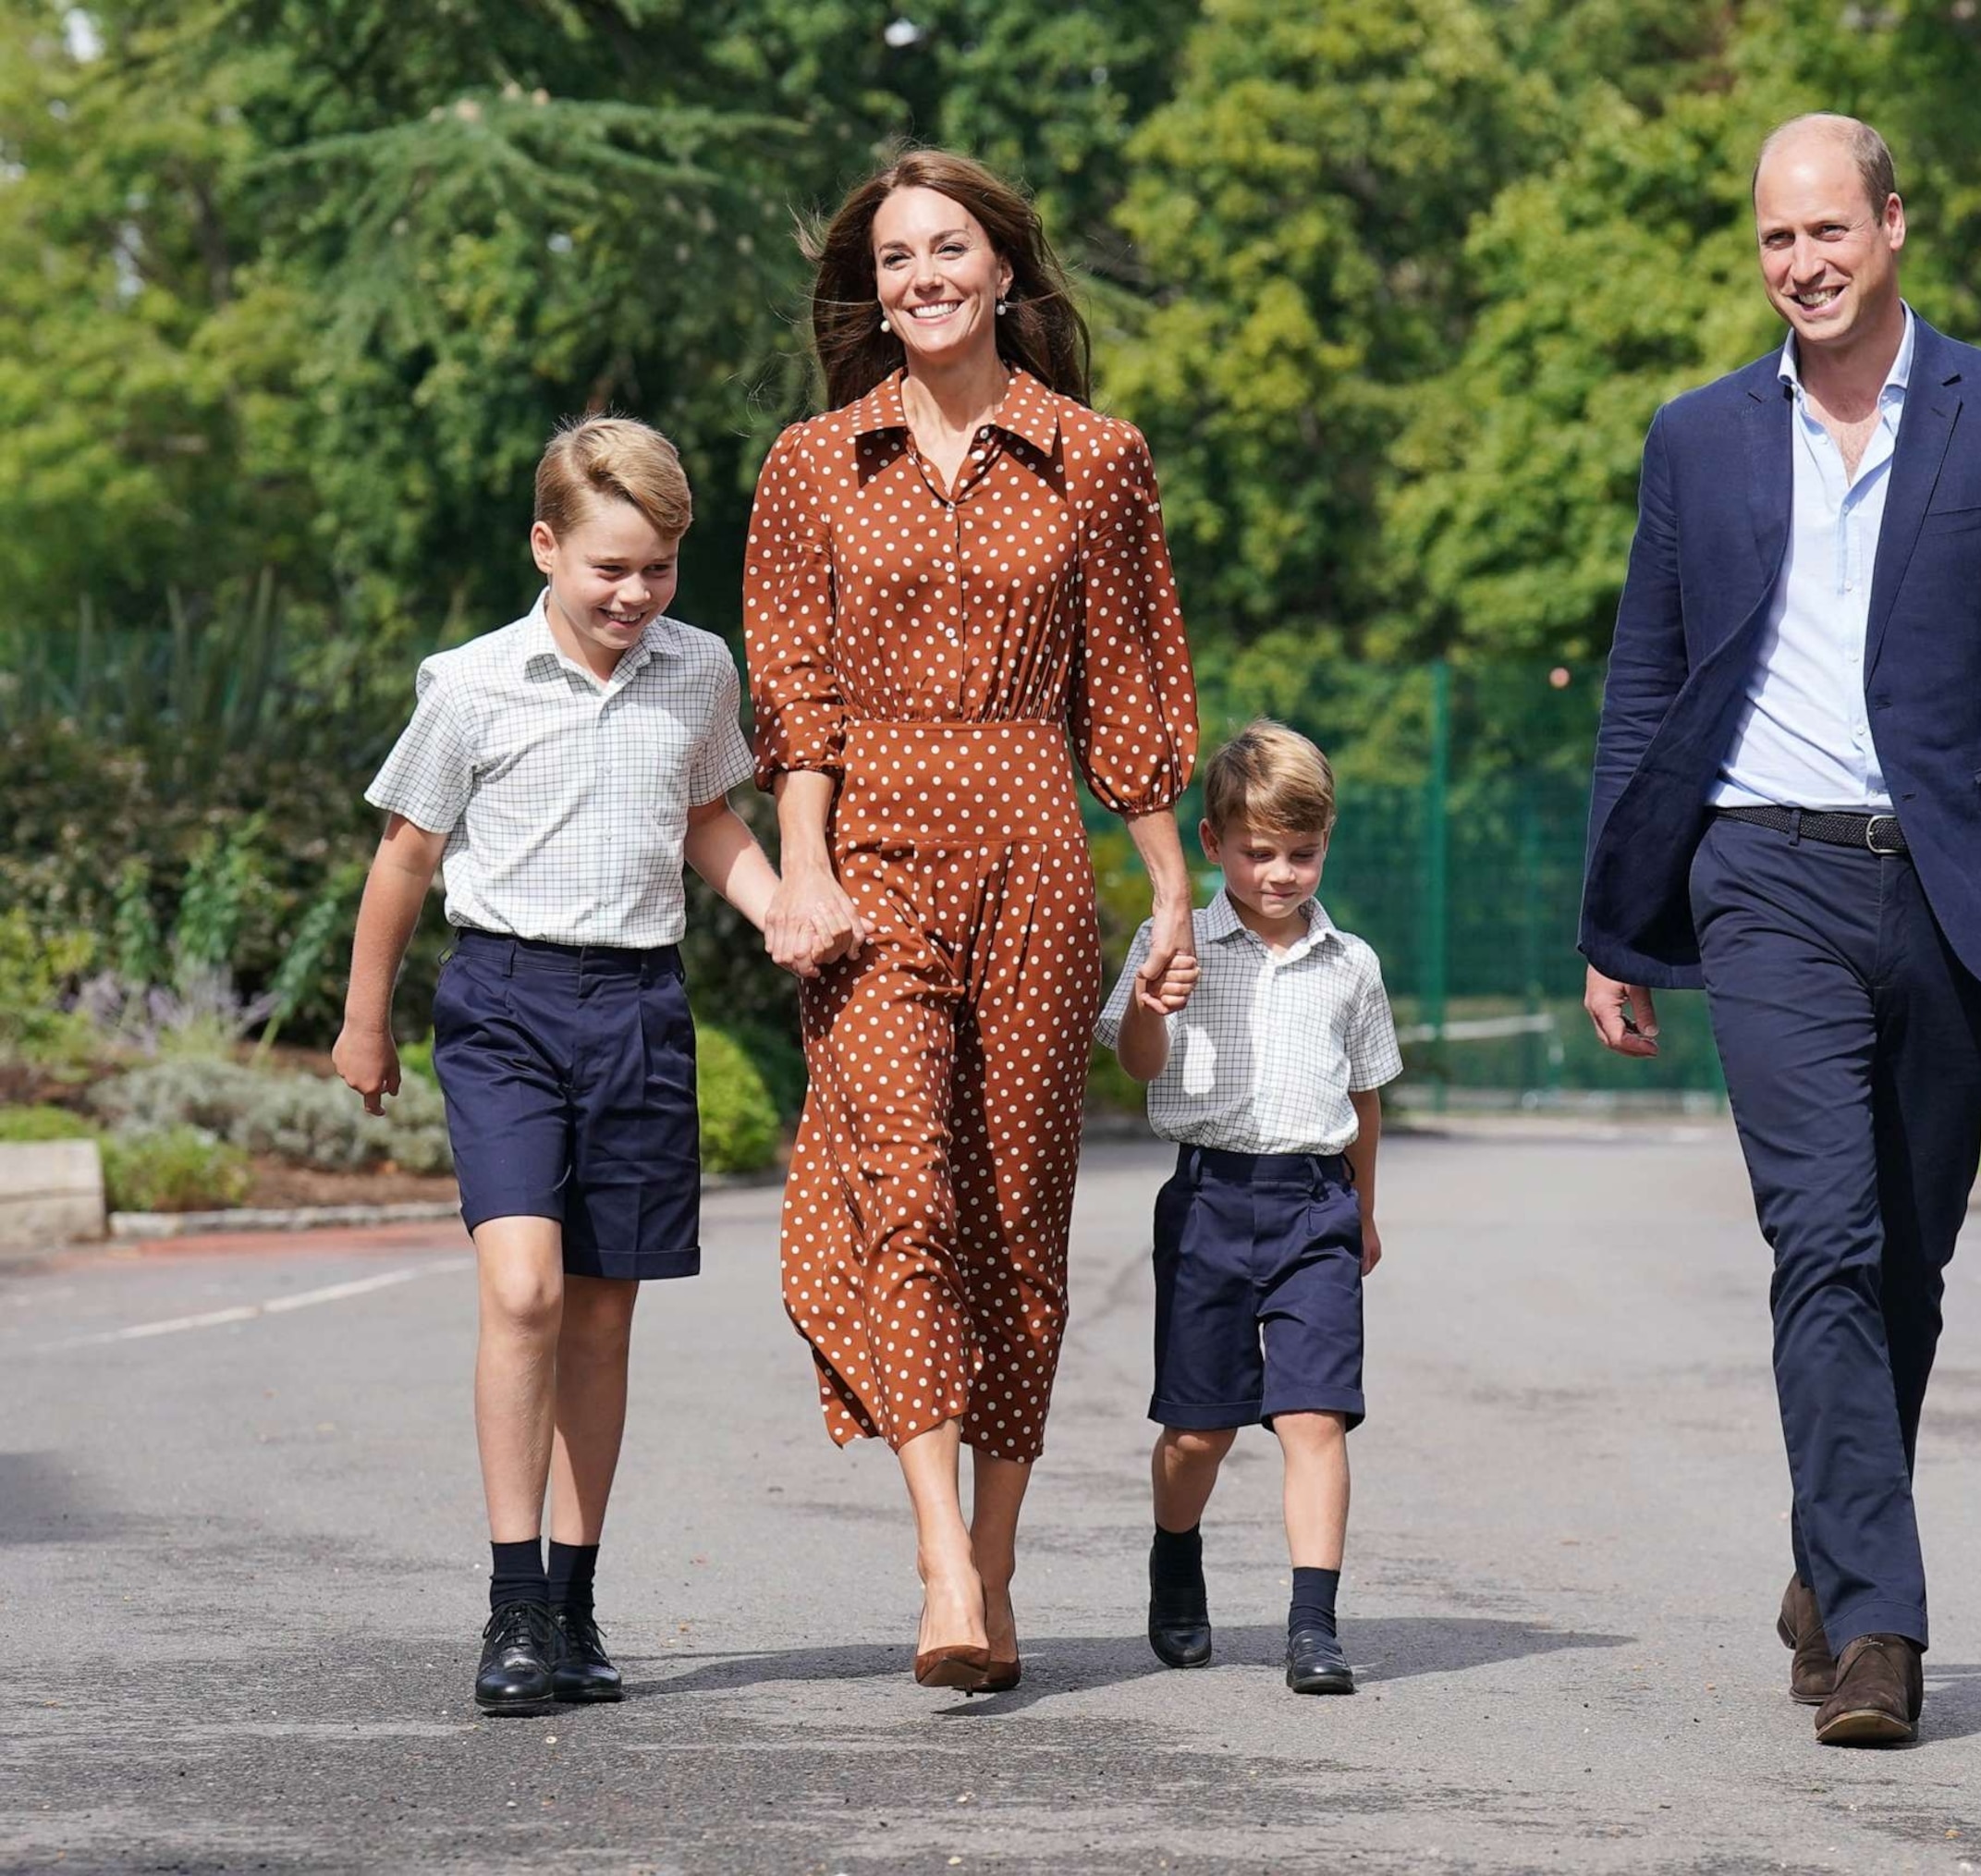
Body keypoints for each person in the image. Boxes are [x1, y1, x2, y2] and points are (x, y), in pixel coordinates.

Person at [1578, 114, 1981, 1746]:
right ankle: (1883, 1631)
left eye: (1828, 231)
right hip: (1761, 876)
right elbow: (1644, 688)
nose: (1802, 265)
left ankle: (1830, 1557)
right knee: (1818, 1234)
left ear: (1893, 223)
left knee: (1906, 1251)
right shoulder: (1695, 442)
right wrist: (1619, 916)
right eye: (1774, 240)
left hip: (1957, 887)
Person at [745, 148, 1199, 1693]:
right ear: (871, 290)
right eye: (894, 259)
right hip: (867, 865)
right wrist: (799, 868)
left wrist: (1172, 891)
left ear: (1005, 270)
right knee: (902, 1189)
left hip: (1031, 859)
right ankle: (941, 1549)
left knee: (1014, 1215)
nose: (922, 278)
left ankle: (995, 1557)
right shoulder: (812, 463)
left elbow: (1128, 688)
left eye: (949, 250)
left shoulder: (1097, 458)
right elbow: (793, 702)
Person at [331, 416, 782, 1714]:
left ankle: (577, 1604)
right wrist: (366, 1023)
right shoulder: (470, 683)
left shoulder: (699, 673)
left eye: (657, 568)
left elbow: (709, 817)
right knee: (523, 1289)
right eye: (608, 568)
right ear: (546, 546)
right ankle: (513, 1602)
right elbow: (407, 859)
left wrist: (784, 910)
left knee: (600, 1308)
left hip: (640, 1005)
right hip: (507, 1004)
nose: (635, 595)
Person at [1098, 721, 1400, 1697]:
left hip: (1316, 1205)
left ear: (1326, 843)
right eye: (1257, 852)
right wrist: (1152, 1000)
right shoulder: (1172, 942)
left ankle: (1313, 1623)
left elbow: (1365, 1097)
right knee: (1200, 1431)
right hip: (1208, 1202)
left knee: (1315, 1417)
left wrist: (1364, 1208)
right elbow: (1136, 1065)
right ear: (1213, 845)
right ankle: (1175, 1556)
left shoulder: (1350, 963)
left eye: (1302, 853)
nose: (1280, 873)